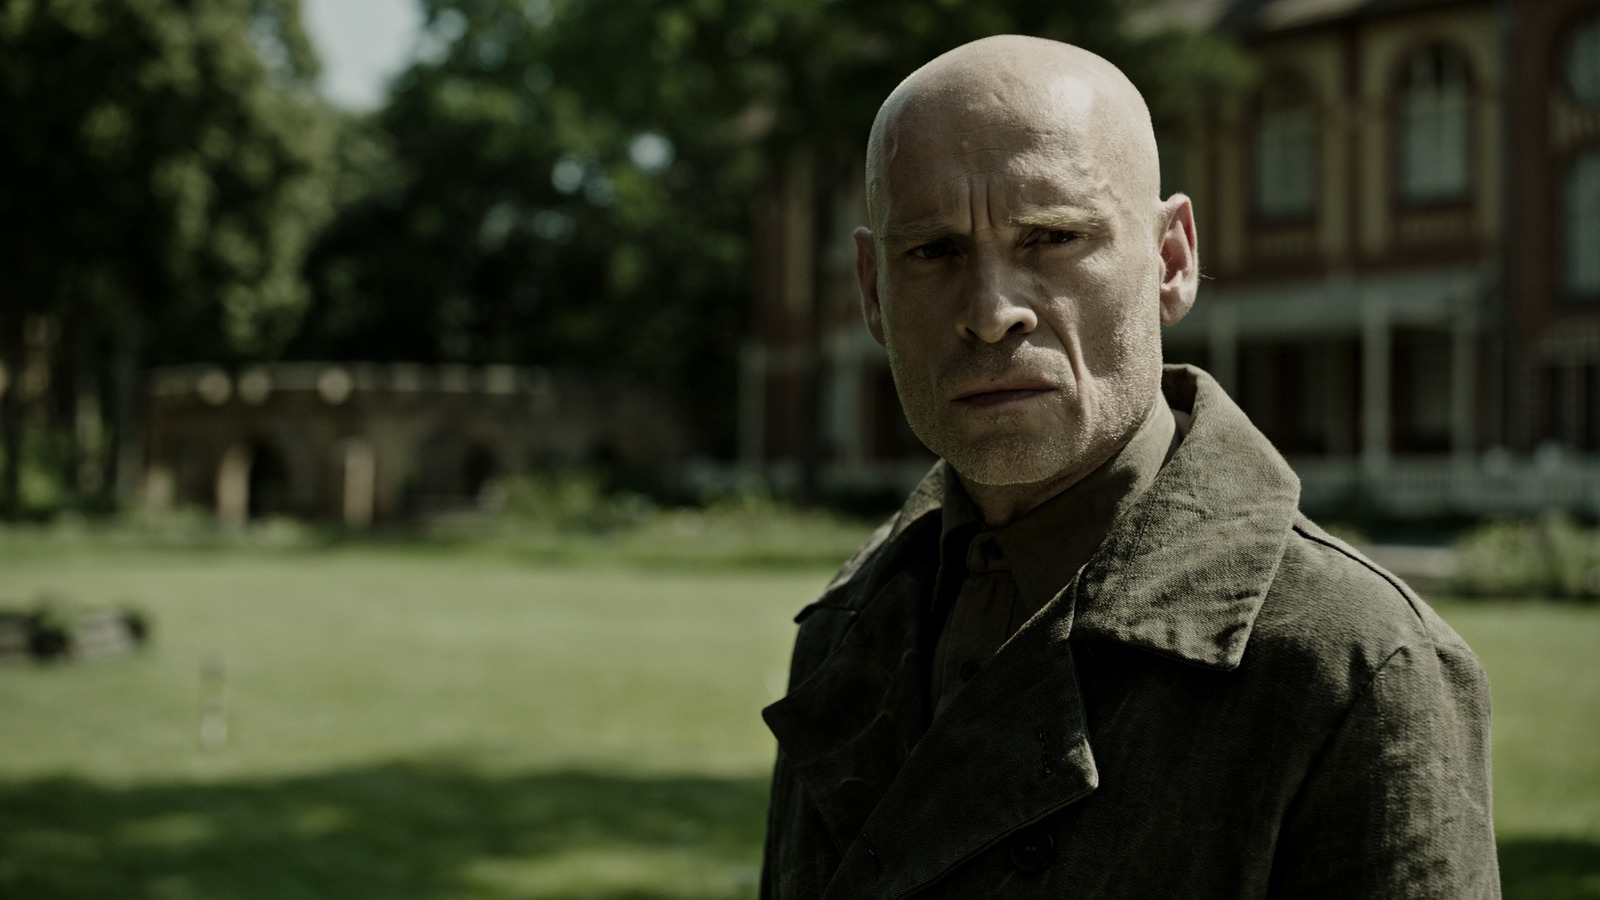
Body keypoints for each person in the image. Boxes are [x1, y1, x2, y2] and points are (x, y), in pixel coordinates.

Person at [759, 35, 1498, 899]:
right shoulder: (848, 626)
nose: (992, 313)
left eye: (1053, 237)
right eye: (934, 251)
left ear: (1172, 261)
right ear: (874, 291)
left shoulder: (1353, 666)